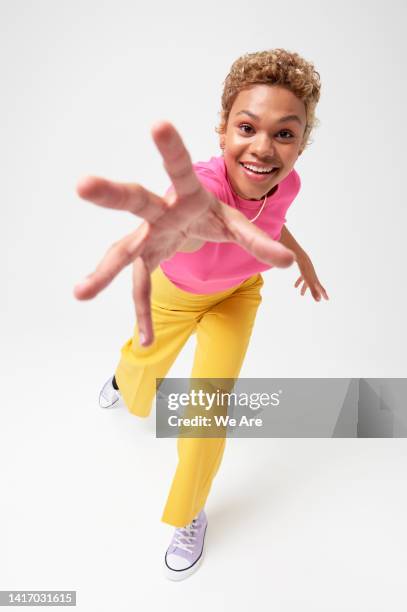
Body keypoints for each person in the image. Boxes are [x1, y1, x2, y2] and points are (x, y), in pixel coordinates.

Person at [74, 48, 328, 581]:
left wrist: (301, 255)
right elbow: (178, 213)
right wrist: (168, 228)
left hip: (237, 296)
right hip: (174, 293)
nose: (263, 148)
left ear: (302, 142)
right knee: (140, 374)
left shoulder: (291, 183)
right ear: (223, 131)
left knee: (207, 408)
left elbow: (273, 221)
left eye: (285, 134)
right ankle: (126, 379)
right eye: (247, 127)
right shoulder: (203, 185)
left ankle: (189, 513)